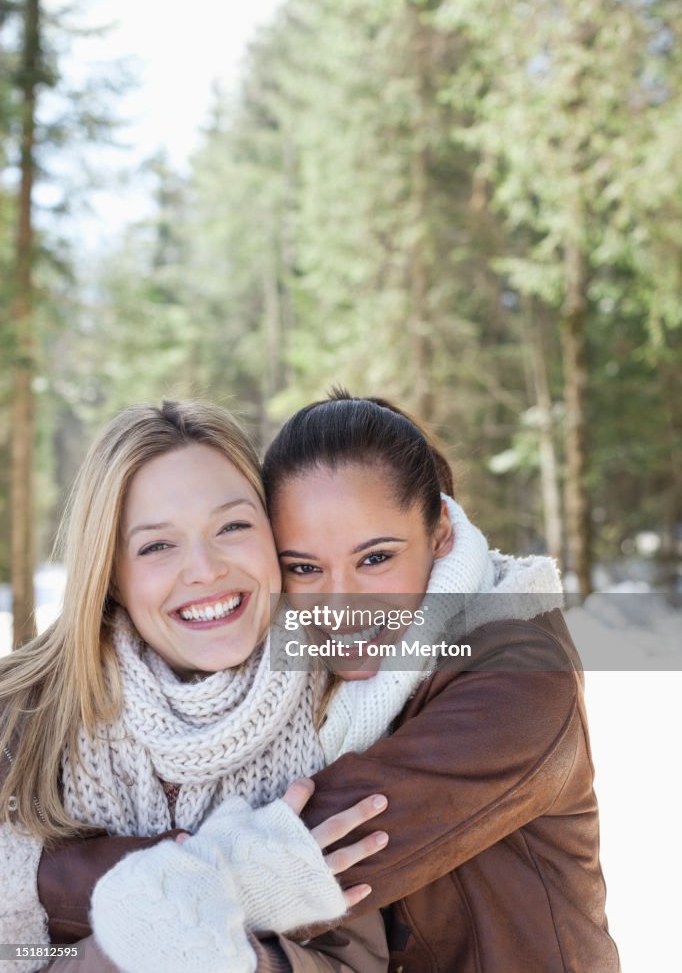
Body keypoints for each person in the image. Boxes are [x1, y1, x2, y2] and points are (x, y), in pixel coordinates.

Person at [33, 392, 621, 971]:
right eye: (305, 568)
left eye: (375, 559)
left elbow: (307, 858)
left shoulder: (516, 673)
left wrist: (29, 875)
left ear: (440, 531)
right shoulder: (321, 682)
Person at [0, 400, 391, 973]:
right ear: (110, 574)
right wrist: (139, 934)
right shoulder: (24, 714)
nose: (205, 569)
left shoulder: (346, 696)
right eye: (157, 545)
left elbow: (358, 960)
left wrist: (243, 957)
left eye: (233, 526)